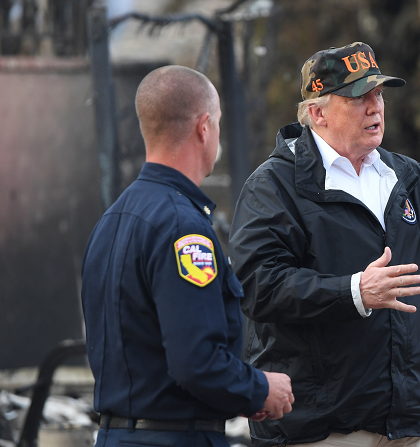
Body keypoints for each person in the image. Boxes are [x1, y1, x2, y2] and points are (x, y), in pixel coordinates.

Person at [228, 42, 420, 447]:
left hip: (403, 423)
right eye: (359, 97)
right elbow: (258, 286)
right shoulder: (274, 186)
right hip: (322, 427)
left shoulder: (405, 175)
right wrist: (354, 291)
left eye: (379, 94)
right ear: (317, 113)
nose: (375, 107)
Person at [81, 65, 294, 447]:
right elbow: (196, 362)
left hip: (114, 435)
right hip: (176, 438)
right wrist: (260, 389)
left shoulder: (112, 219)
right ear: (204, 127)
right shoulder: (184, 228)